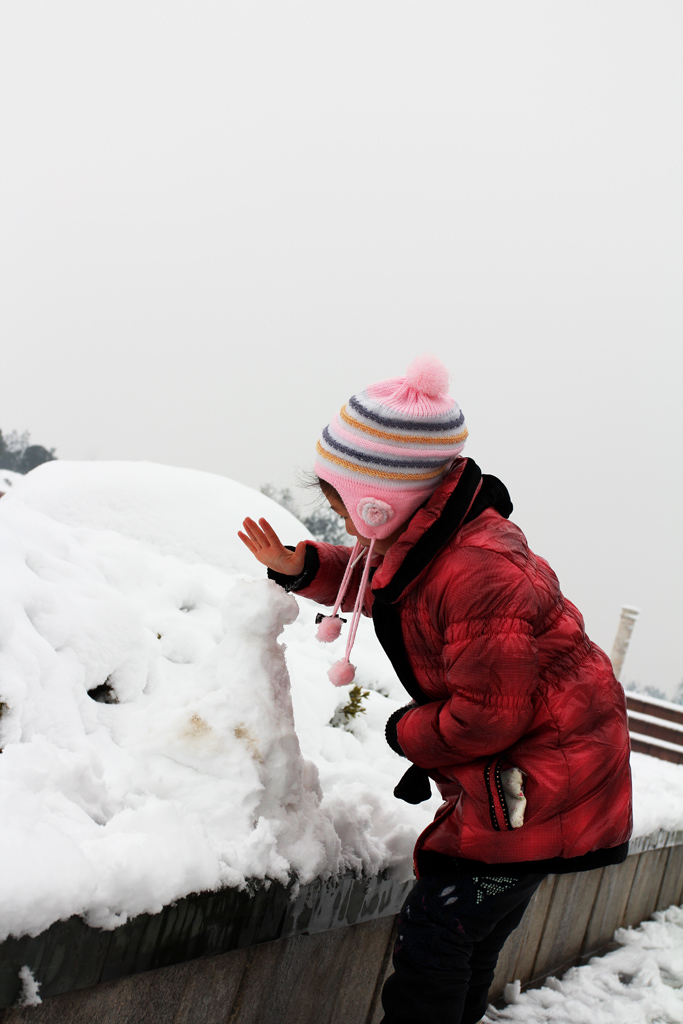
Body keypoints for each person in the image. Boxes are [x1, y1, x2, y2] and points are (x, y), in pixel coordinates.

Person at [238, 355, 632, 1024]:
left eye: (337, 504)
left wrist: (402, 732)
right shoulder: (437, 542)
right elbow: (382, 582)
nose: (336, 519)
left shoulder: (477, 570)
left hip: (539, 783)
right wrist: (303, 568)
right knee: (463, 935)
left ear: (377, 501)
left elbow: (487, 718)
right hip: (539, 779)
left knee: (439, 932)